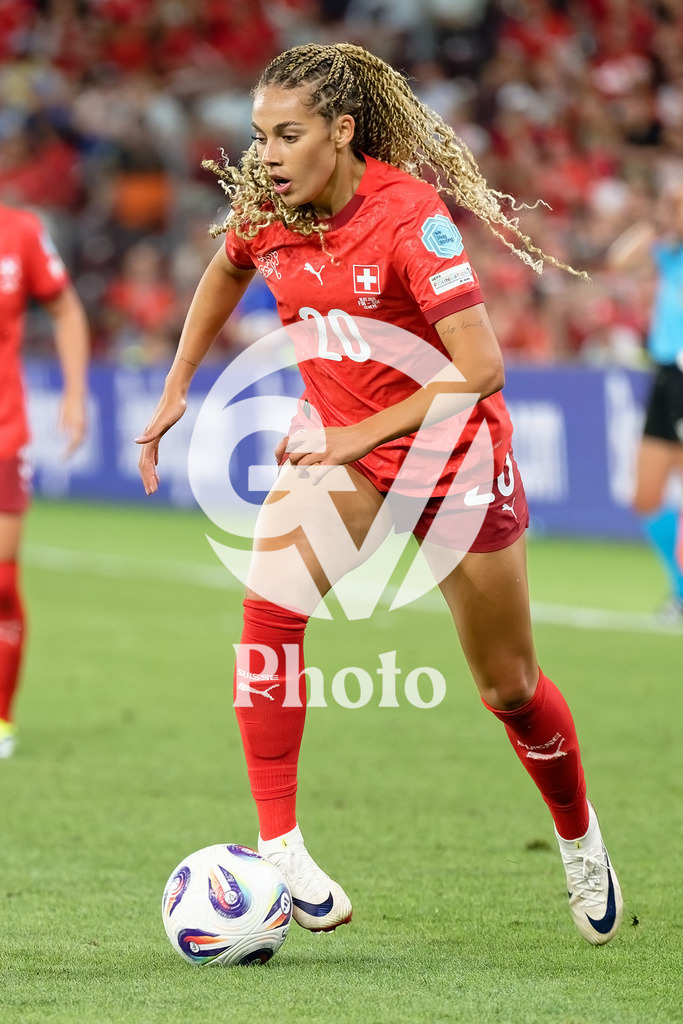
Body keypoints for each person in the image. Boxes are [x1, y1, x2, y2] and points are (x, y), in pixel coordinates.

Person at [137, 42, 623, 946]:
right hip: (350, 460)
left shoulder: (408, 218)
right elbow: (226, 269)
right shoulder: (265, 208)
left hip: (454, 464)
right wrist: (180, 380)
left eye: (287, 135)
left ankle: (577, 836)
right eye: (257, 136)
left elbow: (481, 367)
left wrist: (349, 434)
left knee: (508, 686)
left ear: (342, 130)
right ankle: (278, 845)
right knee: (268, 614)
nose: (268, 155)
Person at [0, 202, 90, 759]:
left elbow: (66, 310)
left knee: (2, 585)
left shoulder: (22, 230)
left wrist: (75, 394)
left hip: (4, 436)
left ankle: (1, 717)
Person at [607, 187, 683, 623]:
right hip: (666, 377)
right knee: (647, 497)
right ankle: (680, 588)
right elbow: (619, 260)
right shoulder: (670, 253)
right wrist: (656, 225)